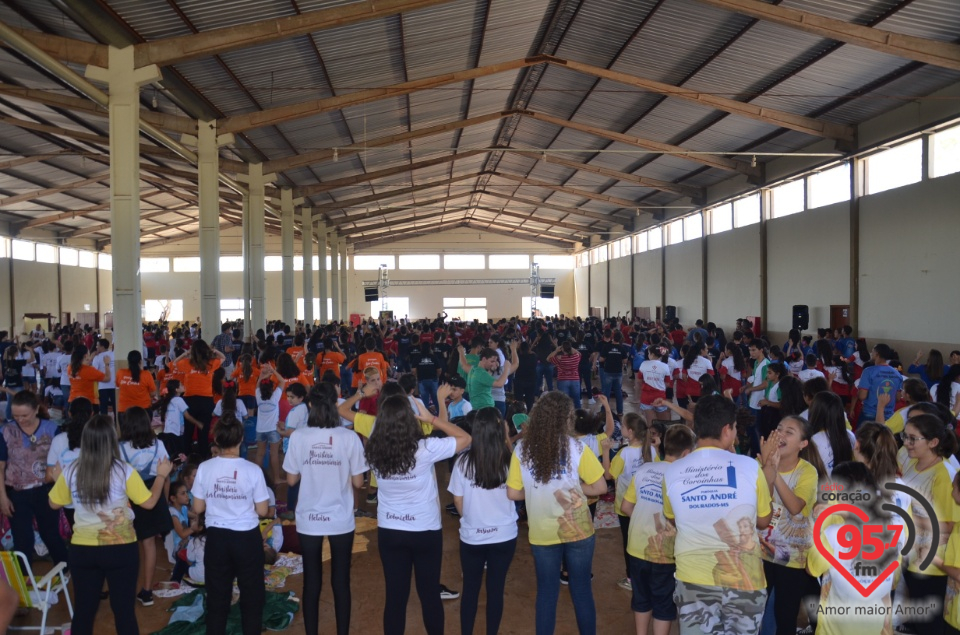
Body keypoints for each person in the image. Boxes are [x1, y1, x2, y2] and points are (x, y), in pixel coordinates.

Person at [48, 414, 172, 635]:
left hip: (82, 550)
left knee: (84, 612)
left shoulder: (70, 471)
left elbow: (54, 503)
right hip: (121, 548)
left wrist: (60, 479)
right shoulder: (123, 470)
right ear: (112, 441)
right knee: (124, 612)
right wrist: (161, 476)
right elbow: (150, 503)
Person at [662, 394, 772, 635]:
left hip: (693, 577)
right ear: (726, 430)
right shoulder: (750, 467)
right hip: (745, 580)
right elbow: (763, 522)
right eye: (734, 428)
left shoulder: (672, 472)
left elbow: (673, 519)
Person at [365, 386, 471, 635]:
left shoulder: (373, 451)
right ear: (410, 419)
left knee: (395, 598)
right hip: (424, 531)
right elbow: (465, 438)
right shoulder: (424, 449)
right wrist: (432, 418)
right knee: (429, 594)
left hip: (390, 531)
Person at [506, 391, 607, 635]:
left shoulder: (522, 450)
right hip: (579, 528)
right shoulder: (577, 448)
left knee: (547, 592)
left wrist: (539, 490)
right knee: (581, 590)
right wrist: (569, 487)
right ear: (567, 418)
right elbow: (600, 487)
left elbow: (513, 493)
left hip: (542, 531)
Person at [284, 382, 367, 635]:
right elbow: (358, 482)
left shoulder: (299, 436)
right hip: (341, 518)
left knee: (312, 582)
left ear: (310, 405)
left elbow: (290, 480)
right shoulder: (349, 437)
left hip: (309, 518)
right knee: (341, 582)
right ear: (335, 405)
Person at [191, 416, 271, 635]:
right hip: (246, 538)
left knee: (217, 599)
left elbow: (197, 507)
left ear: (216, 438)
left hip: (217, 538)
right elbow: (263, 511)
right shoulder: (252, 470)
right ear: (242, 439)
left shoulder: (205, 468)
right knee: (252, 597)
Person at [447, 406, 517, 635]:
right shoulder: (510, 460)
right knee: (495, 591)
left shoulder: (463, 462)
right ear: (501, 430)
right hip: (504, 536)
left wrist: (471, 517)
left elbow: (458, 500)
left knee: (470, 590)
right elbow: (518, 491)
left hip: (473, 536)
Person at [621, 424, 696, 635]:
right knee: (663, 603)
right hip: (666, 552)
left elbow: (626, 507)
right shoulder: (685, 479)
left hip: (636, 547)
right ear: (687, 453)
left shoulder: (645, 469)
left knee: (641, 598)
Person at [758, 415, 824, 635]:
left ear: (803, 444)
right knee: (760, 607)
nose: (781, 434)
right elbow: (764, 507)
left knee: (785, 615)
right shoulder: (761, 464)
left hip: (794, 558)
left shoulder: (807, 471)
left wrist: (773, 471)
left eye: (789, 431)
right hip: (764, 552)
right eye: (779, 428)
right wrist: (767, 468)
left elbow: (795, 507)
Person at [898, 412, 959, 635]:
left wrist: (910, 518)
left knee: (929, 626)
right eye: (905, 436)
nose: (906, 443)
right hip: (913, 554)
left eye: (913, 439)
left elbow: (951, 525)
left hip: (933, 562)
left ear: (933, 442)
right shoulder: (915, 465)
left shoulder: (943, 475)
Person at [0, 391, 69, 571]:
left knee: (51, 534)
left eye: (24, 415)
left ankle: (67, 572)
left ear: (36, 409)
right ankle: (25, 581)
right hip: (16, 493)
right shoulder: (6, 431)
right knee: (22, 539)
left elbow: (62, 462)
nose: (20, 420)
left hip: (45, 490)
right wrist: (2, 498)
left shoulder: (52, 428)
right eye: (15, 416)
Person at [119, 406, 173, 606]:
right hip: (155, 493)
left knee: (127, 546)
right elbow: (166, 475)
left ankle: (123, 589)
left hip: (128, 498)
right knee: (149, 545)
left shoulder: (120, 448)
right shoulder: (158, 445)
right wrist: (164, 502)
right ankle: (147, 591)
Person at [608, 412, 650, 592]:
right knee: (646, 539)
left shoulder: (624, 453)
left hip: (626, 505)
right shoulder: (651, 449)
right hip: (646, 504)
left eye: (623, 426)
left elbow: (609, 475)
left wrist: (604, 451)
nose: (622, 429)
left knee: (628, 543)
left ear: (630, 432)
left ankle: (631, 578)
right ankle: (647, 575)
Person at [175, 340, 226, 457]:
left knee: (188, 431)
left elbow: (174, 362)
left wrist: (185, 354)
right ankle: (203, 458)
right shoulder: (210, 363)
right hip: (206, 401)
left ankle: (186, 458)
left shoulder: (187, 363)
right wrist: (214, 350)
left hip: (189, 401)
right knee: (203, 432)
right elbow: (223, 357)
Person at [857, 343, 903, 426]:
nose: (871, 354)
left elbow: (862, 396)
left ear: (877, 354)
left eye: (872, 352)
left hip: (870, 413)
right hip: (888, 415)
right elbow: (898, 398)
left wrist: (859, 392)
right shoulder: (897, 374)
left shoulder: (868, 371)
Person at [460, 347, 512, 411]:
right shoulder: (482, 374)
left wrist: (461, 352)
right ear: (484, 359)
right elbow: (499, 384)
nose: (495, 364)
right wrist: (506, 369)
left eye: (496, 361)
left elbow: (464, 365)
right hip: (485, 409)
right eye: (492, 361)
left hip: (476, 407)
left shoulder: (473, 369)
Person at [116, 350, 156, 415]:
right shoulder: (146, 374)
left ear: (128, 361)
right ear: (140, 361)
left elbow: (118, 385)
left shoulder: (120, 373)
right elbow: (153, 393)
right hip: (143, 411)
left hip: (124, 411)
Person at [549, 340, 583, 408]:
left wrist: (556, 351)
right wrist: (572, 348)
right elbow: (580, 354)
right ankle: (578, 416)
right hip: (575, 380)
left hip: (563, 380)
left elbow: (548, 358)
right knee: (577, 401)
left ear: (562, 349)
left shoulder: (560, 358)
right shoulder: (576, 357)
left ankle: (564, 417)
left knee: (564, 402)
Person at [92, 339, 116, 416]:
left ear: (102, 346)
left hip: (102, 386)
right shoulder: (114, 354)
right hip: (114, 385)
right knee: (116, 407)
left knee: (103, 408)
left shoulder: (97, 357)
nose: (96, 347)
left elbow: (94, 371)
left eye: (97, 345)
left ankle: (104, 425)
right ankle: (117, 425)